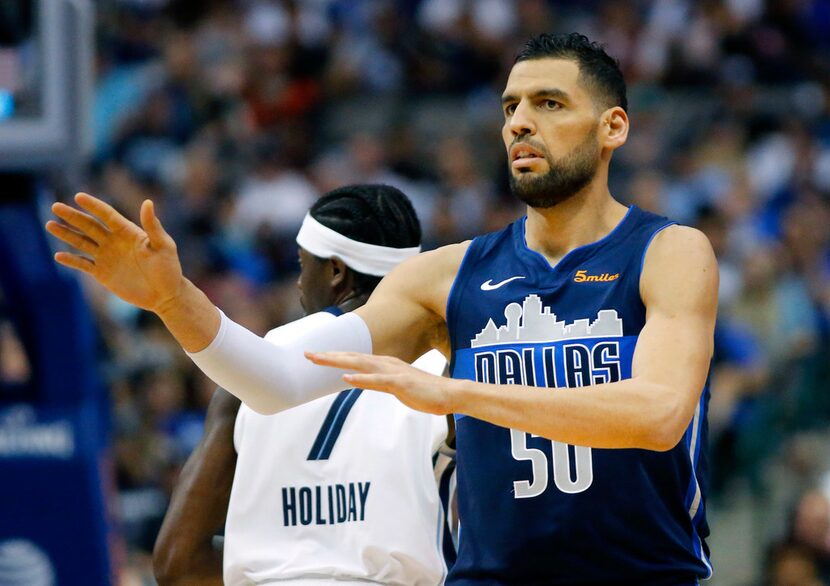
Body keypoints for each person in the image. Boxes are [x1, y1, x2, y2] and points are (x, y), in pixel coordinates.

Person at [47, 32, 718, 584]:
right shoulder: (447, 275)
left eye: (548, 103)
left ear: (613, 127)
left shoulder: (668, 252)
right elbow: (279, 383)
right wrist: (172, 298)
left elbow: (656, 414)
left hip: (644, 572)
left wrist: (460, 391)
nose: (520, 122)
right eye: (511, 105)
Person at [150, 184, 456, 585]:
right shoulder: (448, 366)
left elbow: (179, 560)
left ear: (335, 271)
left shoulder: (254, 364)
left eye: (301, 264)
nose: (297, 284)